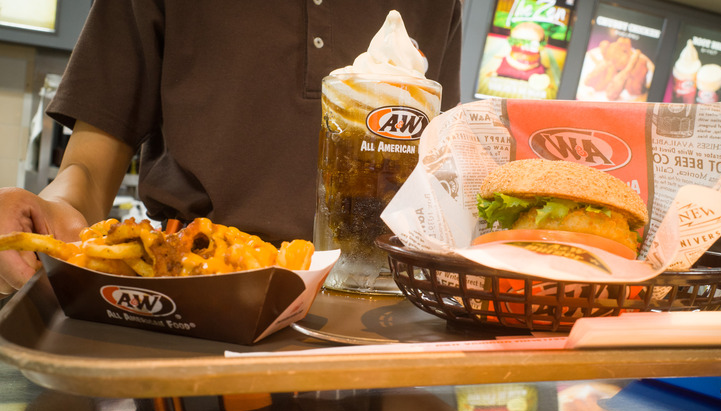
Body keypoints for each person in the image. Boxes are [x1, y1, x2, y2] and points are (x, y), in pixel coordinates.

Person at [0, 0, 463, 295]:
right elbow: (89, 166)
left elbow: (443, 182)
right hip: (190, 294)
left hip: (383, 314)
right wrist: (50, 211)